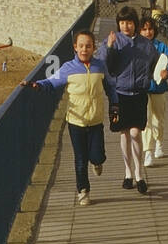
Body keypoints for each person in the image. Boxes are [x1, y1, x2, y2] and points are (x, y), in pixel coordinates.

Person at [22, 31, 108, 206]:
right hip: (76, 122)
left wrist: (114, 106)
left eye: (89, 46)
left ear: (94, 48)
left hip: (96, 120)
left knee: (97, 156)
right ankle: (83, 190)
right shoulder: (68, 68)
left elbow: (111, 87)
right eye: (81, 46)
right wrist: (37, 85)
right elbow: (52, 82)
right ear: (75, 47)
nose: (85, 49)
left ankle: (97, 162)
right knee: (80, 158)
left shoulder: (100, 66)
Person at [101, 6, 156, 194]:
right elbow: (106, 66)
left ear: (135, 24)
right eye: (122, 23)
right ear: (118, 24)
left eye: (129, 22)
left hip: (138, 93)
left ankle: (139, 172)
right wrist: (109, 47)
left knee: (135, 133)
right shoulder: (114, 41)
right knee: (124, 133)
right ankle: (128, 173)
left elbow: (155, 62)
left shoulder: (146, 44)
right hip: (119, 93)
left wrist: (149, 79)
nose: (126, 26)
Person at [138, 14, 168, 167]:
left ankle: (159, 142)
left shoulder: (162, 47)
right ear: (140, 31)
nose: (148, 32)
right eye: (144, 29)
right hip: (143, 88)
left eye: (150, 29)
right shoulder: (137, 47)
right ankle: (148, 151)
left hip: (159, 88)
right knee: (145, 120)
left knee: (158, 119)